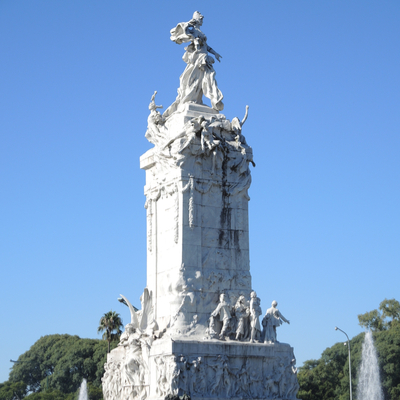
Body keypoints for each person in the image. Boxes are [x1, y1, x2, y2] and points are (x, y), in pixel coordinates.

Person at [163, 11, 224, 118]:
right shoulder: (193, 29)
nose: (202, 20)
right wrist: (193, 37)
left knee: (205, 80)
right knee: (192, 79)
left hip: (204, 58)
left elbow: (206, 46)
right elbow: (184, 31)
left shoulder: (200, 31)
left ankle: (198, 100)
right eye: (200, 18)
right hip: (197, 58)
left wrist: (215, 53)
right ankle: (190, 99)